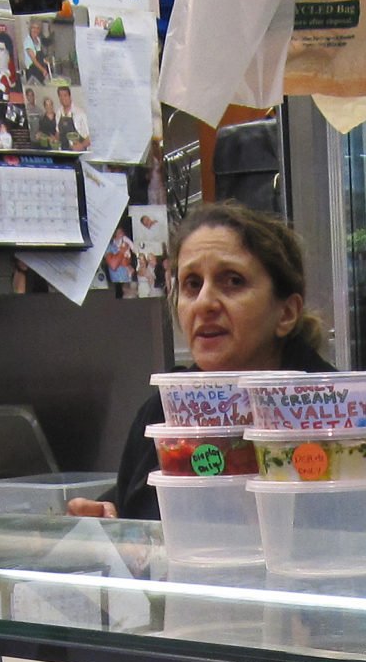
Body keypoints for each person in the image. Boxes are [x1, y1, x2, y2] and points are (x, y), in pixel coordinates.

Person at [77, 203, 333, 521]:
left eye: (233, 281)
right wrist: (113, 522)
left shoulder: (335, 412)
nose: (205, 303)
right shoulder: (162, 411)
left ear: (286, 313)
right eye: (192, 284)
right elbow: (136, 512)